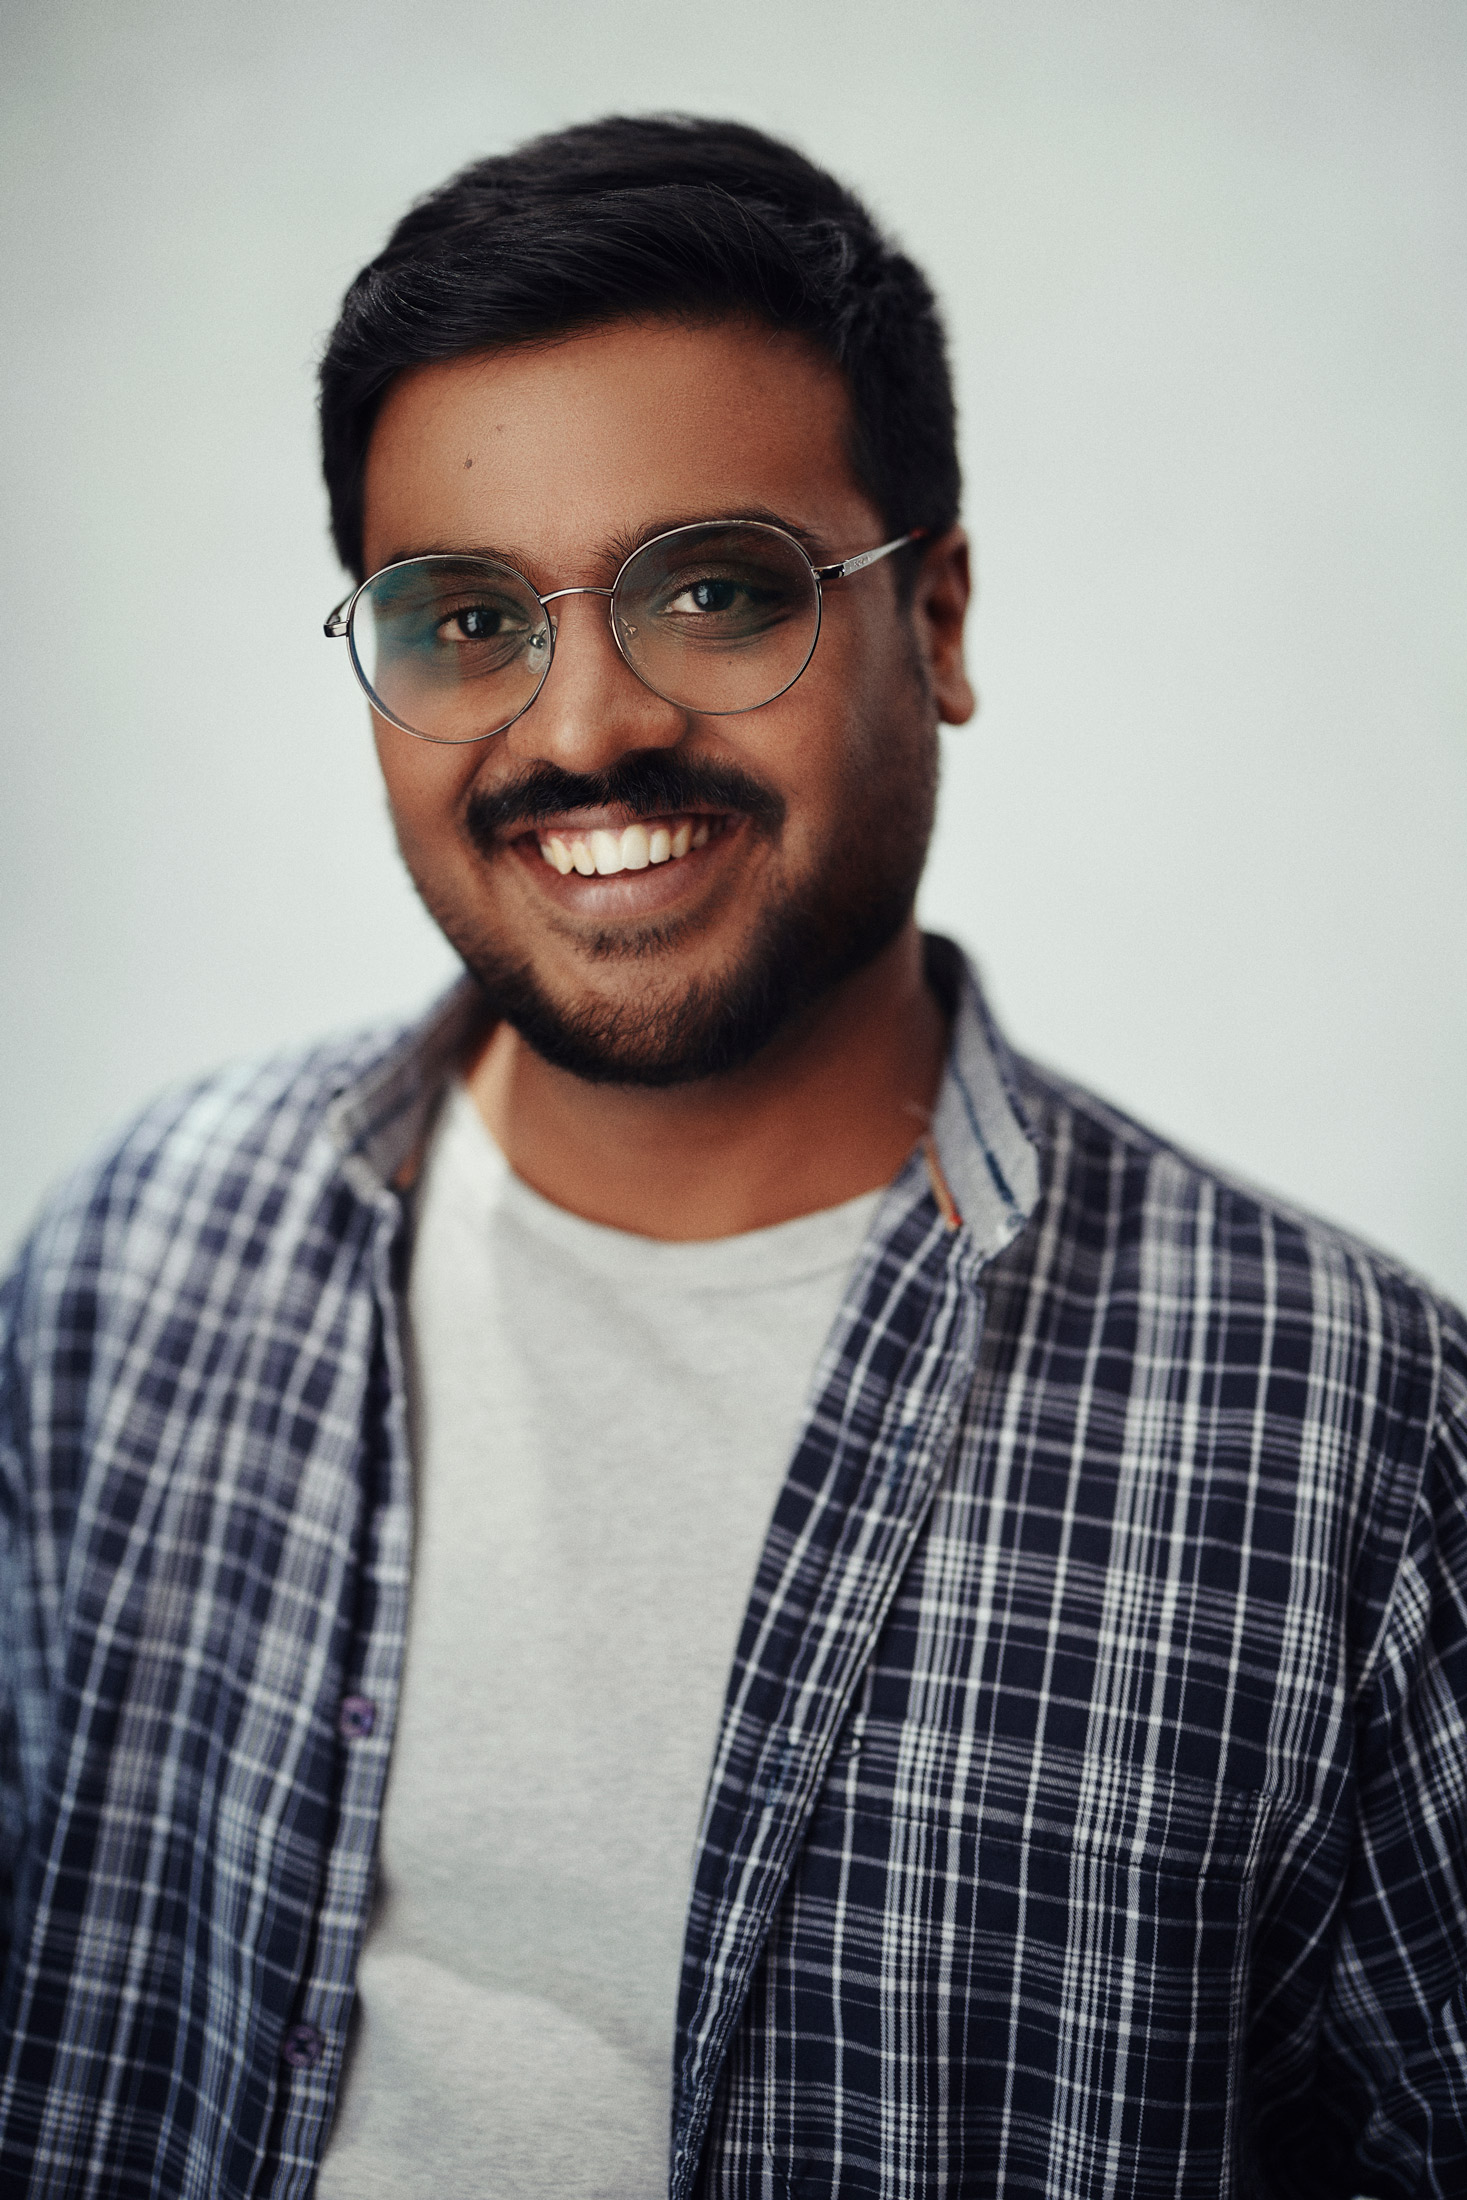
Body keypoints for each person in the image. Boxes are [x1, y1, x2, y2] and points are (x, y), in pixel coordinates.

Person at [1, 111, 1464, 2200]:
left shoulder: (1344, 1437)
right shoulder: (133, 1266)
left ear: (936, 622)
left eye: (714, 589)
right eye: (462, 617)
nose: (579, 724)